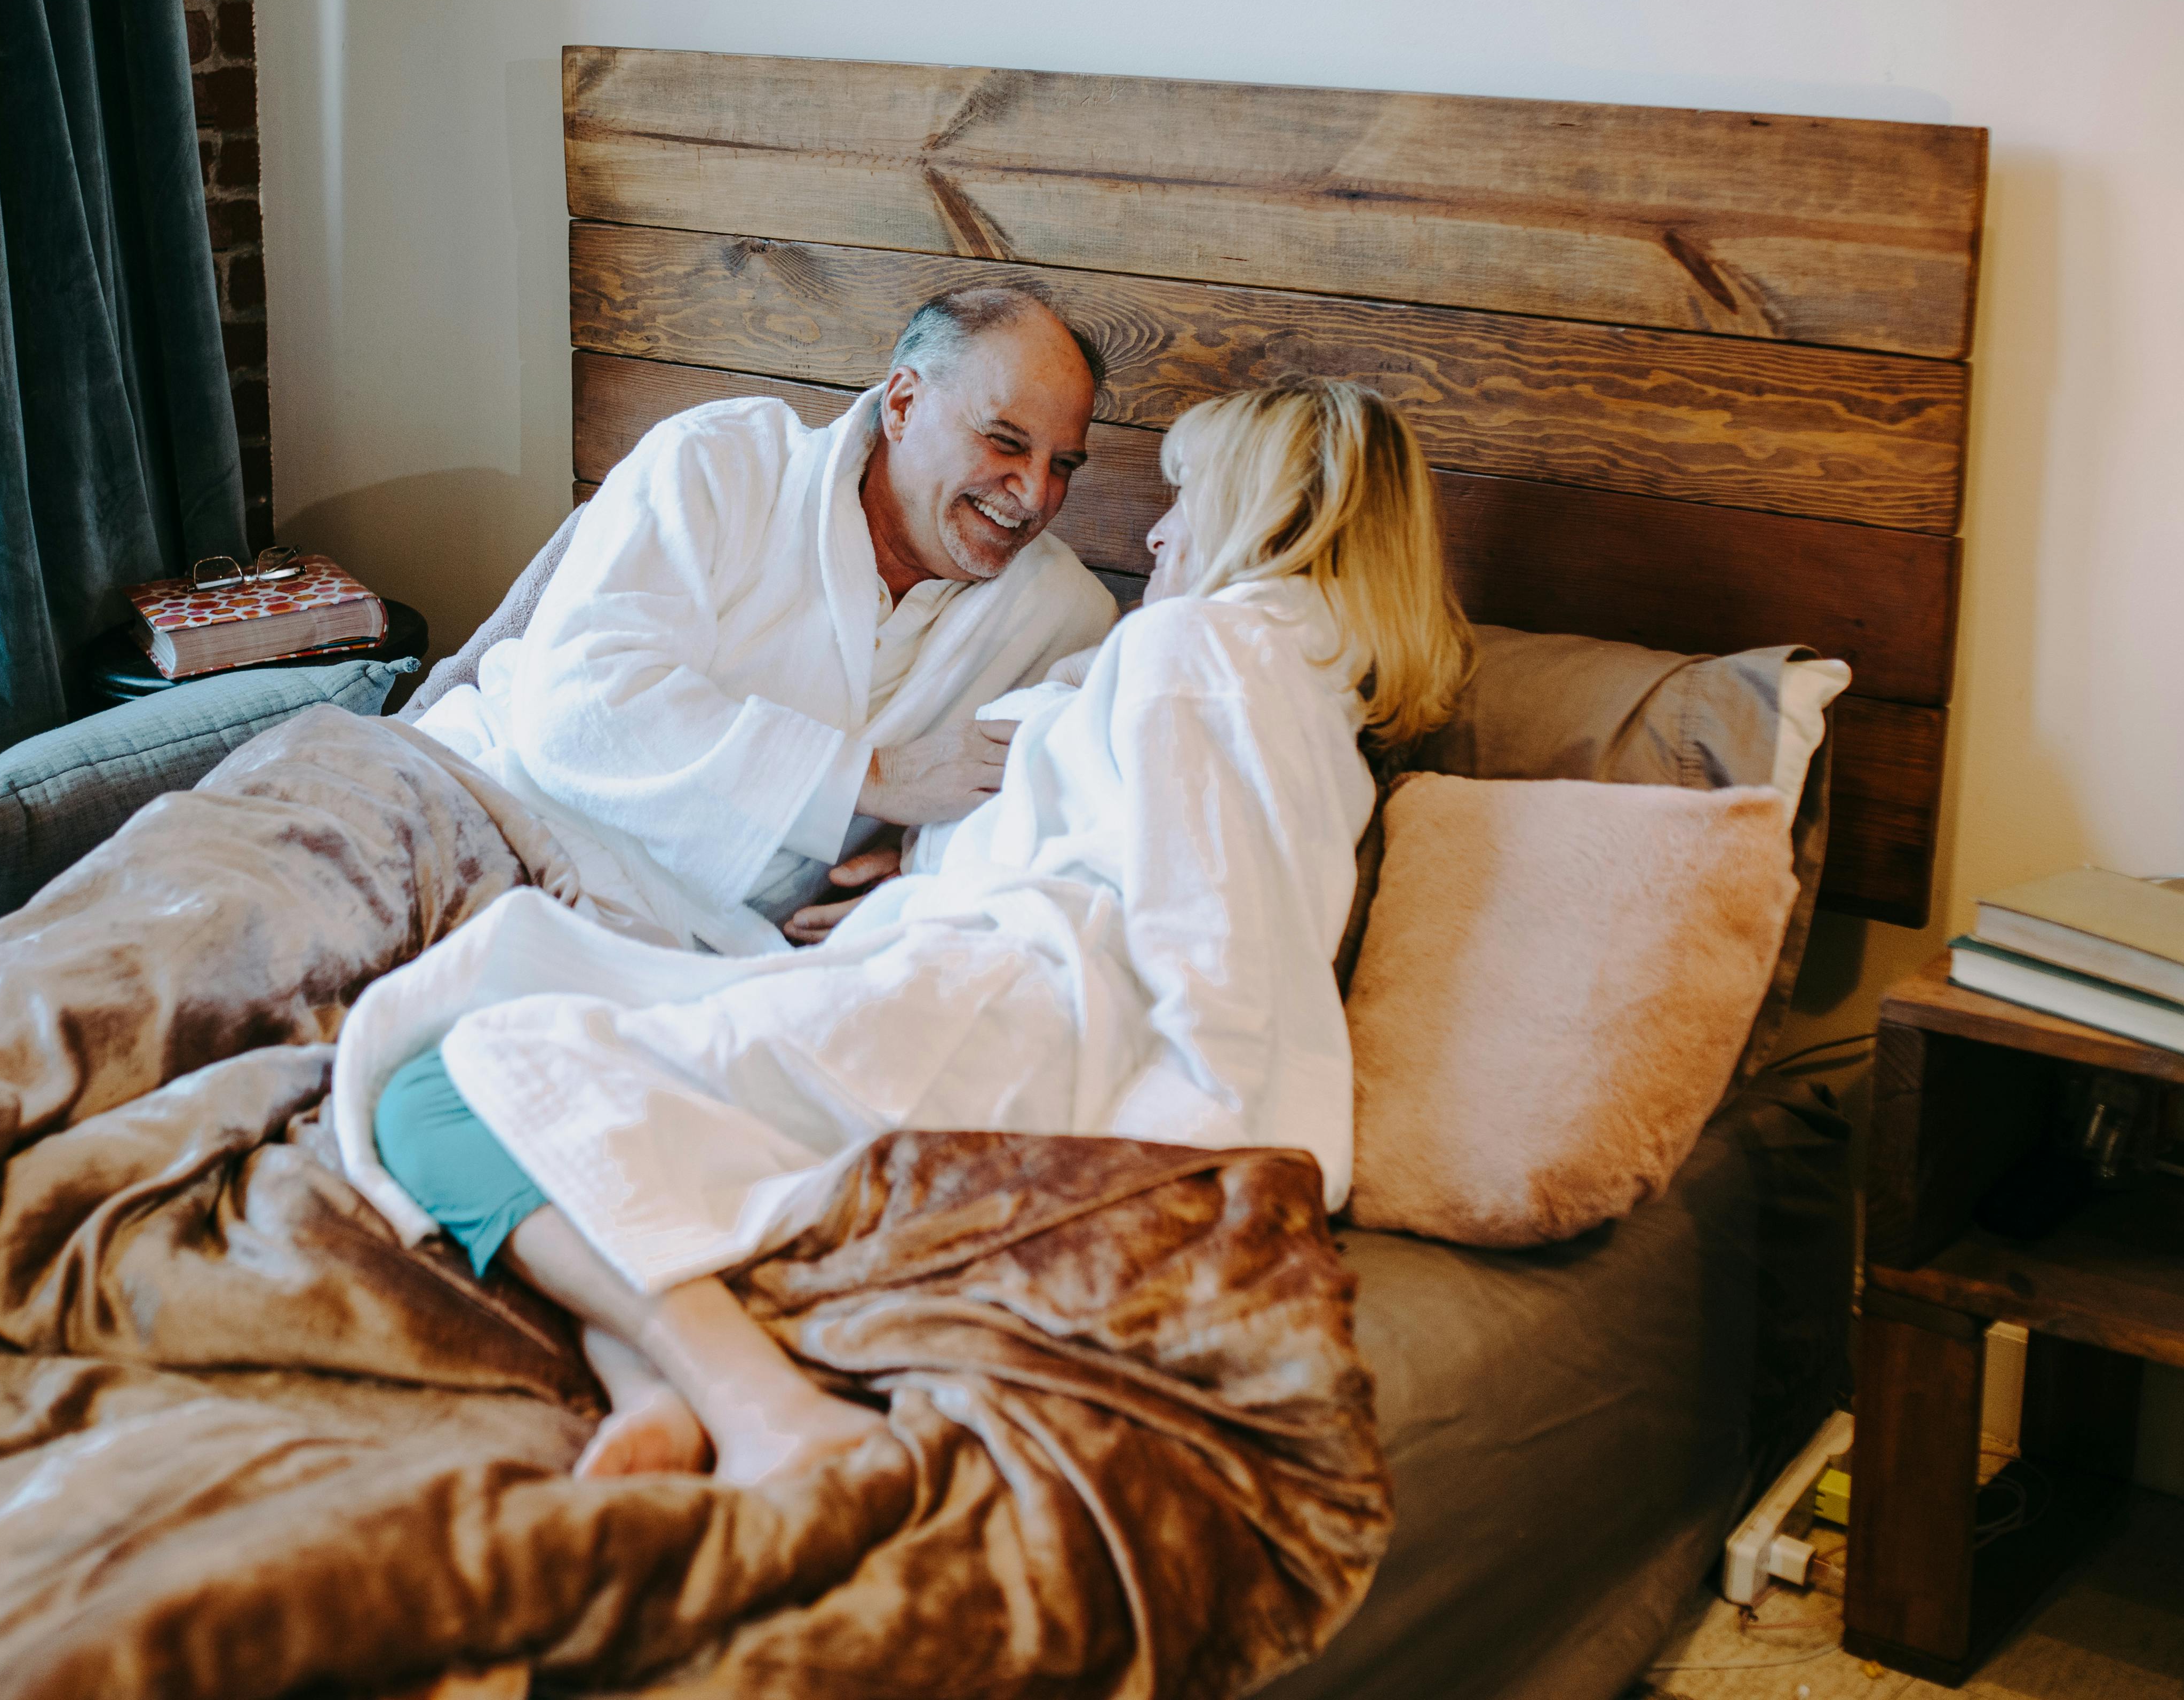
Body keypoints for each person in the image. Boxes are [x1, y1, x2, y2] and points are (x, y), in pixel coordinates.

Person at [334, 381, 1475, 1484]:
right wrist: (924, 859)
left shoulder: (1207, 655)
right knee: (556, 1073)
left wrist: (1219, 1191)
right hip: (986, 994)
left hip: (996, 1011)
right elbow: (1169, 870)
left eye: (1189, 497)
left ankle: (767, 1411)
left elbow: (1220, 943)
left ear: (1270, 514)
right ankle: (659, 1391)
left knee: (440, 1089)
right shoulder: (1306, 690)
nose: (1162, 530)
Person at [408, 286, 1118, 954]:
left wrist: (925, 876)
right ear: (902, 405)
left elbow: (1067, 822)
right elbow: (579, 706)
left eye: (1064, 466)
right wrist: (869, 776)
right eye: (1005, 442)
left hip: (691, 951)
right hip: (479, 811)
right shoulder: (720, 462)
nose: (1033, 495)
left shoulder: (1066, 618)